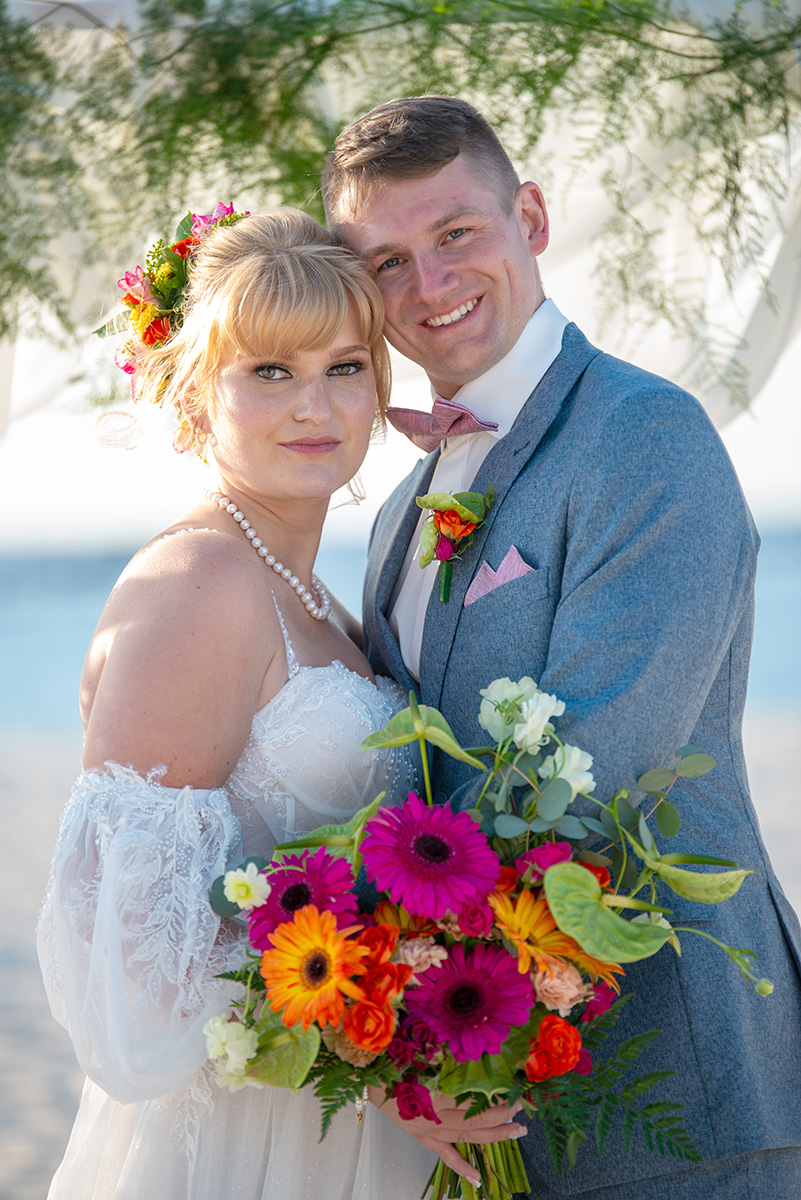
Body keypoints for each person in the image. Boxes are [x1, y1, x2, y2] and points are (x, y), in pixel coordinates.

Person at [322, 96, 801, 1198]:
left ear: (530, 219)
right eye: (388, 262)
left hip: (678, 1091)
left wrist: (422, 1018)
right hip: (484, 1097)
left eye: (456, 233)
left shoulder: (645, 436)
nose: (430, 284)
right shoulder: (395, 512)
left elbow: (590, 771)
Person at [36, 207, 525, 1199]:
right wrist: (377, 1067)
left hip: (343, 1111)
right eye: (270, 370)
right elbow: (130, 962)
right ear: (192, 393)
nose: (315, 405)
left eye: (343, 366)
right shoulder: (200, 583)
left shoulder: (312, 594)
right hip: (255, 1135)